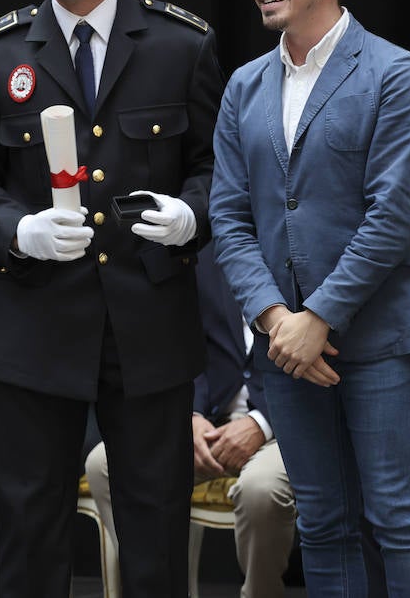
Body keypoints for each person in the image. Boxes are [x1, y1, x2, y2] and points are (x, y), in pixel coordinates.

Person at [0, 0, 224, 598]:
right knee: (31, 522)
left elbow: (219, 168)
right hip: (36, 318)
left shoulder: (178, 45)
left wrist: (192, 215)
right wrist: (18, 229)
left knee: (154, 520)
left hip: (148, 320)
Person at [209, 0, 410, 597]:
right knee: (321, 521)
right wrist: (275, 320)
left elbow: (395, 216)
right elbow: (228, 215)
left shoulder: (394, 74)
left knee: (397, 517)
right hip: (283, 347)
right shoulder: (244, 86)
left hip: (377, 340)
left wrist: (318, 318)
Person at [85, 247, 297, 597]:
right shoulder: (206, 257)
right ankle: (161, 585)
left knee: (261, 489)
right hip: (210, 421)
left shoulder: (304, 254)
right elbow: (184, 340)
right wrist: (191, 415)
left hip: (286, 425)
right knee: (103, 464)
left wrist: (261, 423)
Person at [0, 294, 104, 598]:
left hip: (83, 405)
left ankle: (2, 588)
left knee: (0, 475)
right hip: (15, 395)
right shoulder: (20, 259)